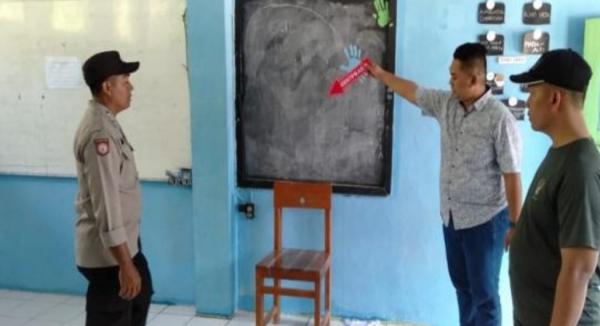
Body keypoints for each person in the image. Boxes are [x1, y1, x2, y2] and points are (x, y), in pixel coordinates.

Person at [367, 43, 523, 325]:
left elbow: (512, 174)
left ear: (474, 79)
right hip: (452, 219)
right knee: (463, 289)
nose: (449, 81)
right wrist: (380, 74)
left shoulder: (500, 119)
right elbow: (413, 91)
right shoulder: (447, 104)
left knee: (485, 296)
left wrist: (515, 223)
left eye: (454, 76)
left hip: (485, 223)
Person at [509, 49, 600, 326]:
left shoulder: (580, 167)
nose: (527, 103)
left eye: (532, 94)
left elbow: (579, 268)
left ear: (554, 98)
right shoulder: (561, 153)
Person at [73, 50, 153, 326]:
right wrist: (124, 265)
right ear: (108, 87)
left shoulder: (108, 123)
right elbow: (106, 204)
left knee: (140, 296)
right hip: (109, 257)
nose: (130, 87)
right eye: (125, 80)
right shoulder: (100, 134)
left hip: (125, 246)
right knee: (113, 313)